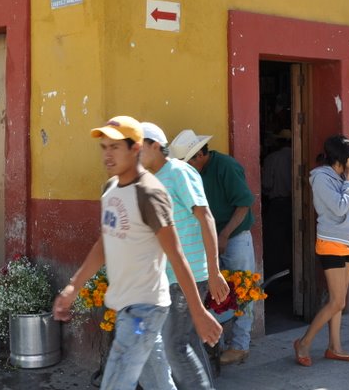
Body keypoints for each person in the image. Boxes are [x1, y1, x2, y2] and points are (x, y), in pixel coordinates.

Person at [52, 115, 222, 390]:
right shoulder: (110, 190)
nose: (107, 155)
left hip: (146, 307)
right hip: (124, 304)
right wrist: (74, 287)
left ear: (136, 149)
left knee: (122, 380)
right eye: (104, 147)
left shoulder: (150, 193)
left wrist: (199, 310)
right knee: (157, 379)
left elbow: (176, 254)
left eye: (115, 147)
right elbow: (104, 243)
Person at [139, 122, 229, 390]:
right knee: (183, 342)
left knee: (175, 345)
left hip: (190, 274)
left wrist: (214, 272)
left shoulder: (179, 171)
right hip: (168, 276)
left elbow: (206, 218)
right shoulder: (153, 179)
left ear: (155, 145)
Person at [169, 129, 255, 366]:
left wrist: (225, 235)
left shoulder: (226, 167)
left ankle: (240, 345)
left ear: (198, 155)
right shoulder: (192, 173)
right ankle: (219, 343)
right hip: (212, 238)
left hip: (235, 236)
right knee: (217, 293)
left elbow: (244, 205)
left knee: (244, 291)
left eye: (187, 162)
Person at [292, 135, 349, 367]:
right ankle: (304, 342)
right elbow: (339, 207)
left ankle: (335, 347)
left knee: (340, 301)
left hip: (348, 243)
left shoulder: (341, 176)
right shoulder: (322, 179)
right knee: (337, 301)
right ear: (341, 158)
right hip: (331, 243)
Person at [261, 129, 293, 276]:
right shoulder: (299, 156)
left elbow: (266, 185)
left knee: (276, 243)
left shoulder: (272, 158)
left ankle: (279, 277)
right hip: (293, 205)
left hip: (277, 205)